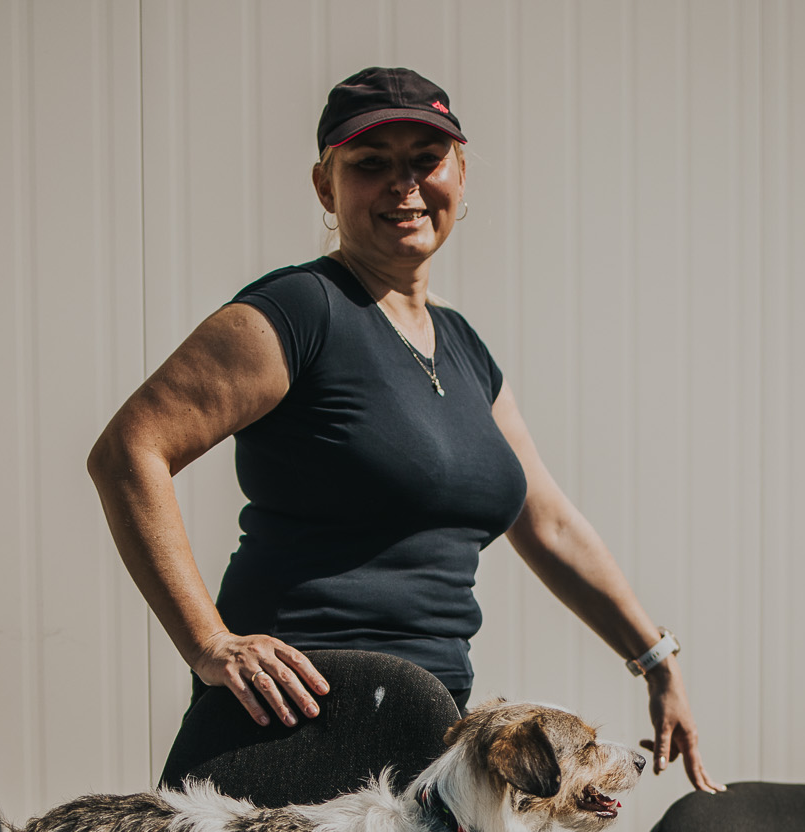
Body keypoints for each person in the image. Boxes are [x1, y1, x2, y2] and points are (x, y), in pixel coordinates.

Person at [87, 67, 719, 792]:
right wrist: (209, 643)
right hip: (299, 726)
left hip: (431, 727)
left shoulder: (461, 345)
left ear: (459, 175)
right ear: (326, 187)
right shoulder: (299, 312)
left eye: (426, 160)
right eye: (371, 164)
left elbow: (548, 523)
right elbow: (128, 451)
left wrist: (656, 659)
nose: (404, 184)